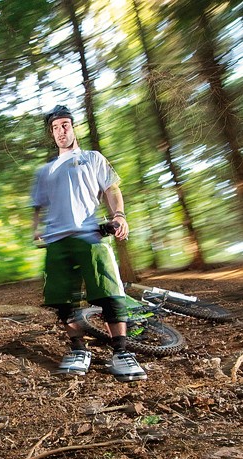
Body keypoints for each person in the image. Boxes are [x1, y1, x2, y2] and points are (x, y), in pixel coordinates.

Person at [31, 104, 146, 382]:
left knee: (109, 292)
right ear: (52, 133)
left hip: (90, 235)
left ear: (73, 127)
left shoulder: (93, 158)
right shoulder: (45, 171)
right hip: (57, 240)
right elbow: (37, 205)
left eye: (65, 125)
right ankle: (78, 349)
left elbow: (111, 188)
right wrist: (35, 230)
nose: (60, 131)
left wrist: (119, 215)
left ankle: (121, 352)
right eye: (55, 127)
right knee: (61, 299)